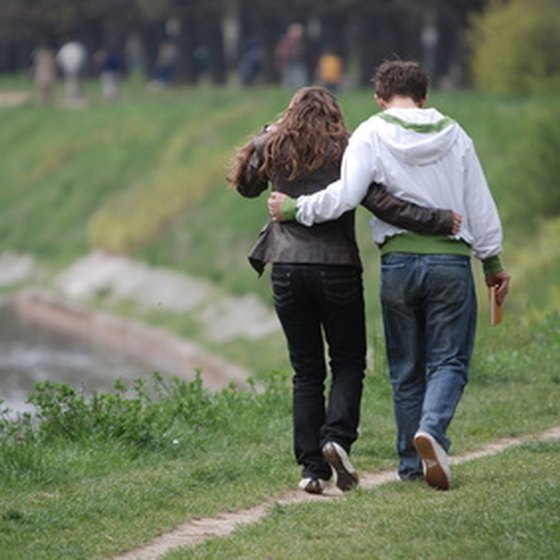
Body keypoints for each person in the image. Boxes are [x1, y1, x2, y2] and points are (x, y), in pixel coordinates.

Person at [268, 61, 511, 491]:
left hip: (397, 264)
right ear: (425, 95)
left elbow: (346, 196)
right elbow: (479, 202)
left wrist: (295, 209)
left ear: (380, 98)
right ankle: (431, 433)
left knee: (405, 367)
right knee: (449, 360)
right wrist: (491, 261)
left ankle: (410, 464)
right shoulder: (456, 136)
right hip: (451, 264)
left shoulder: (369, 133)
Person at [228, 86, 461, 495]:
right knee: (348, 361)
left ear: (292, 113)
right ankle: (336, 438)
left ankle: (312, 469)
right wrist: (439, 220)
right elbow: (384, 204)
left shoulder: (275, 144)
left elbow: (246, 187)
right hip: (336, 269)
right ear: (335, 117)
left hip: (286, 268)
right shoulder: (350, 150)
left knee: (306, 371)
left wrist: (264, 135)